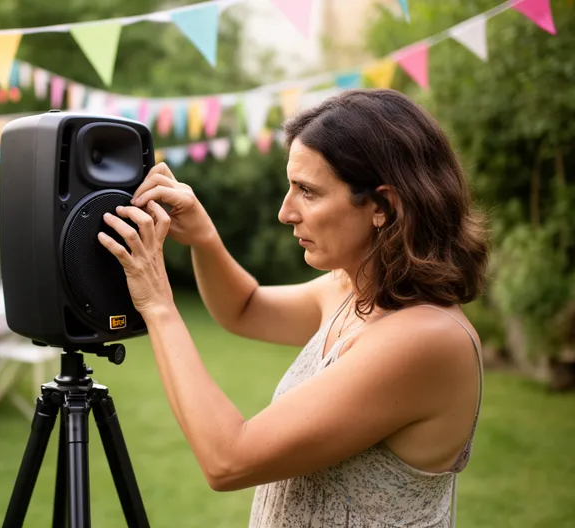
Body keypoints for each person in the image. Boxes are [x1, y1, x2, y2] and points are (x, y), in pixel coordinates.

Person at [96, 88, 489, 527]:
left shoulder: (426, 338)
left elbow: (228, 459)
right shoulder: (351, 290)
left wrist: (157, 303)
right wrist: (204, 237)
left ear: (383, 206)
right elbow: (244, 308)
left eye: (307, 191)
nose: (286, 212)